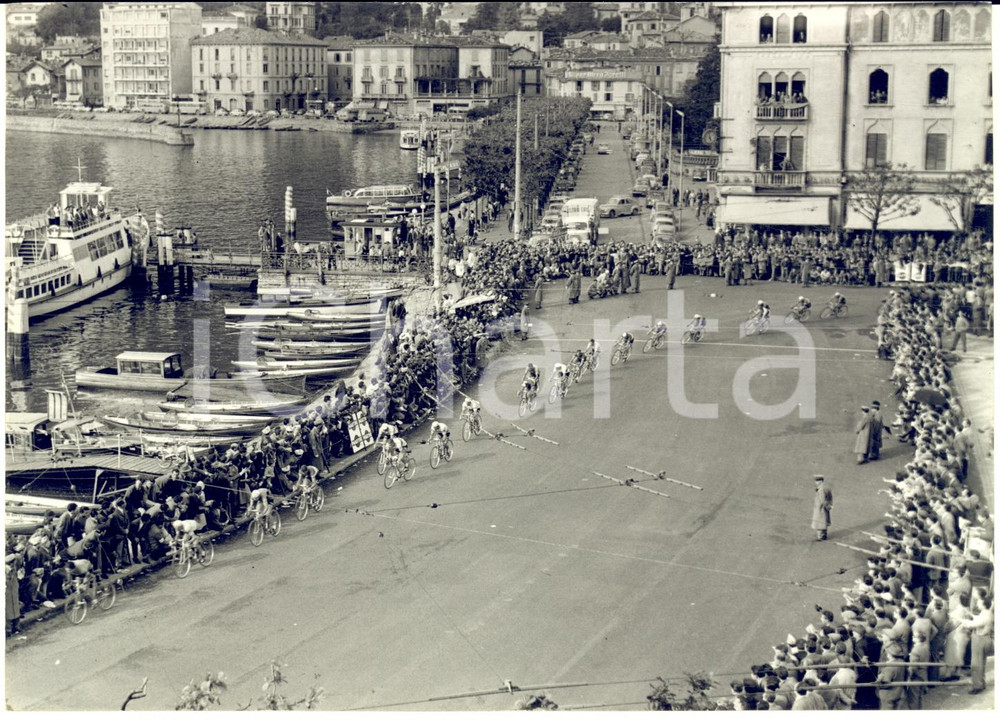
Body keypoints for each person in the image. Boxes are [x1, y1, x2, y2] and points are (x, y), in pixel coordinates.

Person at [812, 475, 833, 541]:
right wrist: (829, 506)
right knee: (824, 522)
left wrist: (821, 506)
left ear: (820, 481)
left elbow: (822, 500)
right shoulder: (826, 487)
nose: (816, 482)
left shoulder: (821, 489)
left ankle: (820, 537)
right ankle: (824, 535)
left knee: (819, 523)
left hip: (820, 508)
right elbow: (830, 497)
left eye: (817, 481)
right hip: (825, 508)